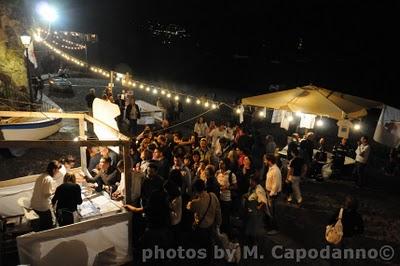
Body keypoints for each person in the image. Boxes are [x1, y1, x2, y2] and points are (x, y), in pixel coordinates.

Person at [187, 179, 222, 263]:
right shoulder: (212, 196)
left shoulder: (195, 202)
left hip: (201, 229)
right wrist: (218, 224)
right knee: (209, 245)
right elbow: (218, 211)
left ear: (195, 189)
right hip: (211, 225)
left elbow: (188, 207)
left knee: (201, 247)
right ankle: (210, 260)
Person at [30, 160, 61, 231]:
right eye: (57, 169)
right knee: (48, 225)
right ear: (53, 169)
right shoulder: (49, 179)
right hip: (41, 207)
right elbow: (46, 194)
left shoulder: (41, 176)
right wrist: (55, 191)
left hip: (34, 204)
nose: (58, 171)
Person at [264, 154, 282, 235]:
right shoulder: (270, 169)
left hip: (273, 195)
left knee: (273, 212)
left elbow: (276, 184)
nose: (264, 161)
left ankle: (275, 229)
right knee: (270, 211)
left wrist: (271, 194)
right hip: (270, 193)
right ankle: (270, 227)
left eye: (265, 160)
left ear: (269, 161)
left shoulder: (275, 170)